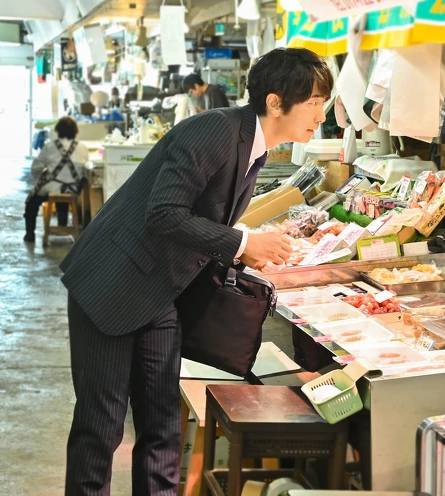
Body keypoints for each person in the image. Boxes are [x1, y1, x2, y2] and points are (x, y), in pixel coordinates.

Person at [59, 48, 332, 494]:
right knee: (101, 426)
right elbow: (164, 213)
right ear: (276, 101)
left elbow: (201, 215)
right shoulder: (215, 131)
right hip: (111, 284)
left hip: (158, 292)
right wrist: (243, 244)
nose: (322, 115)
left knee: (164, 423)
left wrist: (243, 243)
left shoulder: (255, 148)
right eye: (315, 102)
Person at [24, 117, 89, 243]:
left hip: (52, 187)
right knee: (64, 191)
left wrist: (39, 178)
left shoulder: (50, 146)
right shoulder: (82, 148)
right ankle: (62, 224)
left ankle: (30, 234)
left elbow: (36, 167)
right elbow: (84, 172)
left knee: (32, 202)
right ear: (75, 131)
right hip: (73, 189)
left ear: (58, 130)